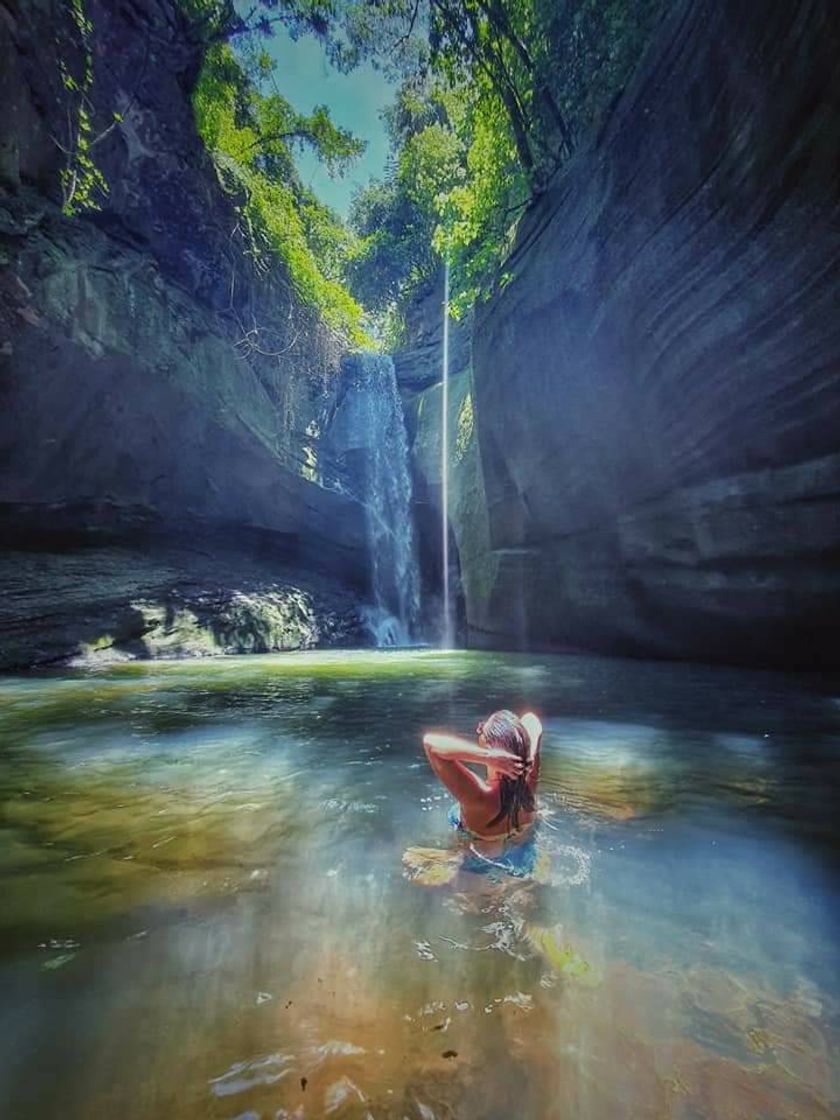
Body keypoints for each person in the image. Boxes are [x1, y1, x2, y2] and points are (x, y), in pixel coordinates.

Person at [416, 710, 543, 881]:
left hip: (478, 862)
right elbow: (531, 719)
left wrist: (487, 757)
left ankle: (453, 857)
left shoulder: (478, 797)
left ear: (488, 747)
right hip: (523, 855)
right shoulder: (529, 781)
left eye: (481, 728)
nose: (479, 729)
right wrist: (529, 755)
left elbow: (430, 743)